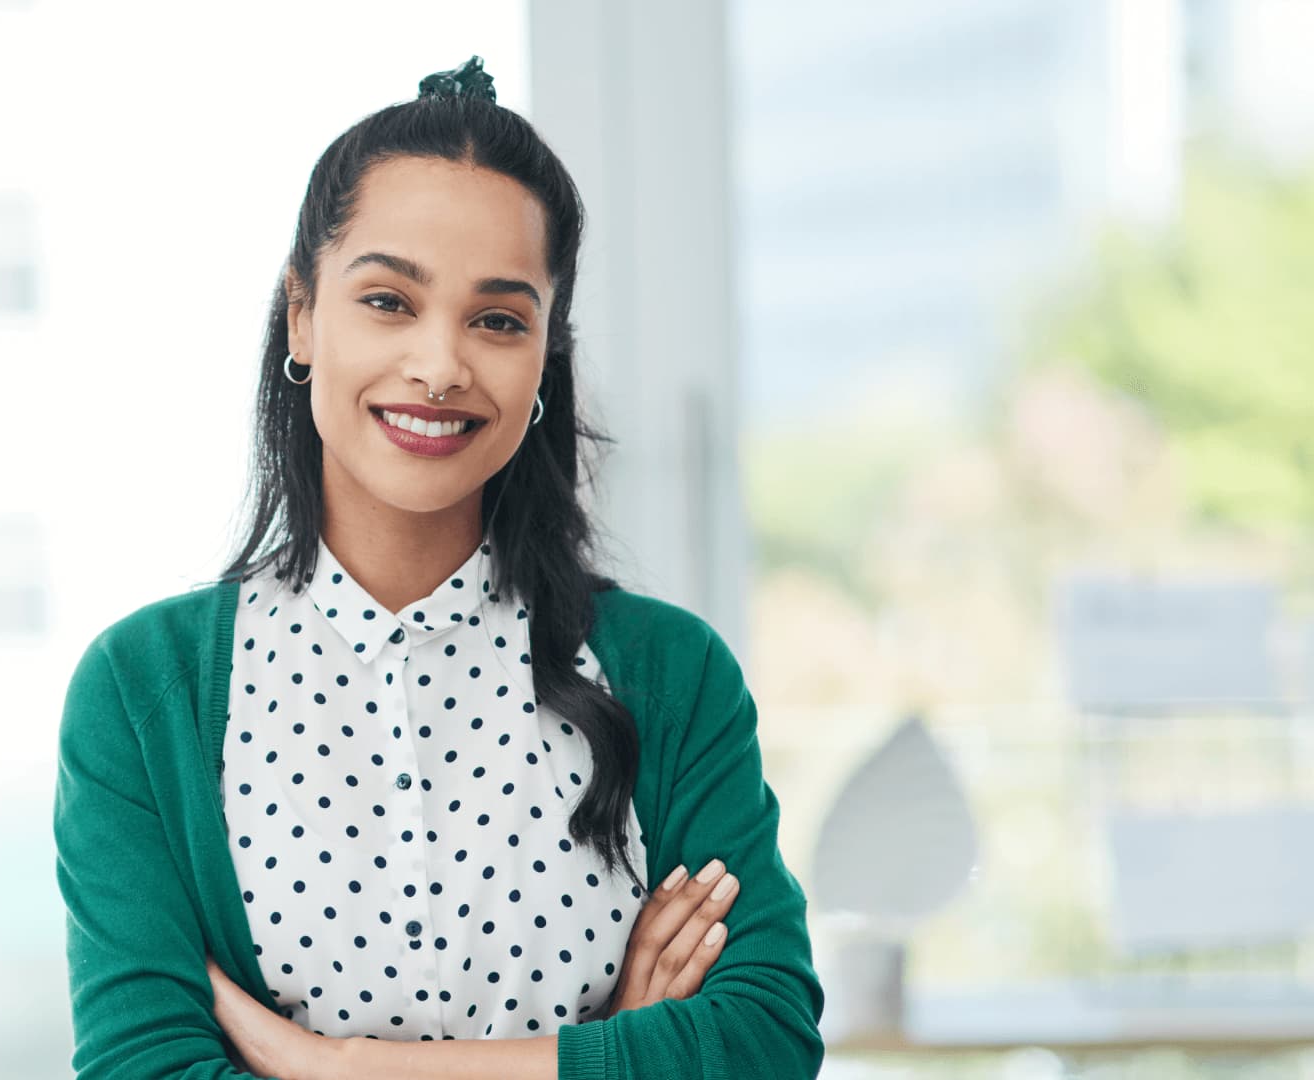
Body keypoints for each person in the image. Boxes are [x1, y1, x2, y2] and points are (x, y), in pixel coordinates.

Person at [53, 56, 824, 1079]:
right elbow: (142, 1070)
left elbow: (764, 1040)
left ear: (547, 354)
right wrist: (605, 1057)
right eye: (387, 301)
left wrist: (339, 1067)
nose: (440, 364)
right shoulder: (142, 694)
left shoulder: (671, 675)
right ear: (301, 315)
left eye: (498, 319)